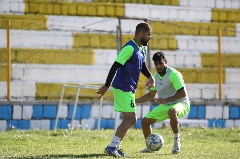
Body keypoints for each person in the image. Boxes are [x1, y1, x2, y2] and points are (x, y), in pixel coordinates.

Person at [97, 22, 155, 157]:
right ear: (141, 34)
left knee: (128, 118)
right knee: (131, 118)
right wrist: (106, 85)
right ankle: (112, 146)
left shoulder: (142, 49)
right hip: (123, 86)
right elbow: (115, 65)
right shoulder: (130, 48)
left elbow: (142, 66)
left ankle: (115, 147)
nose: (150, 37)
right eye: (148, 34)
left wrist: (150, 77)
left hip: (129, 87)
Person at [135, 51, 190, 154]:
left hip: (181, 103)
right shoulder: (155, 77)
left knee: (172, 111)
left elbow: (183, 93)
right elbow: (151, 95)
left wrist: (166, 100)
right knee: (145, 122)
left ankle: (176, 142)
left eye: (160, 63)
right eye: (156, 64)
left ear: (166, 62)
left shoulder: (173, 74)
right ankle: (150, 147)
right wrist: (134, 101)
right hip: (166, 105)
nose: (158, 66)